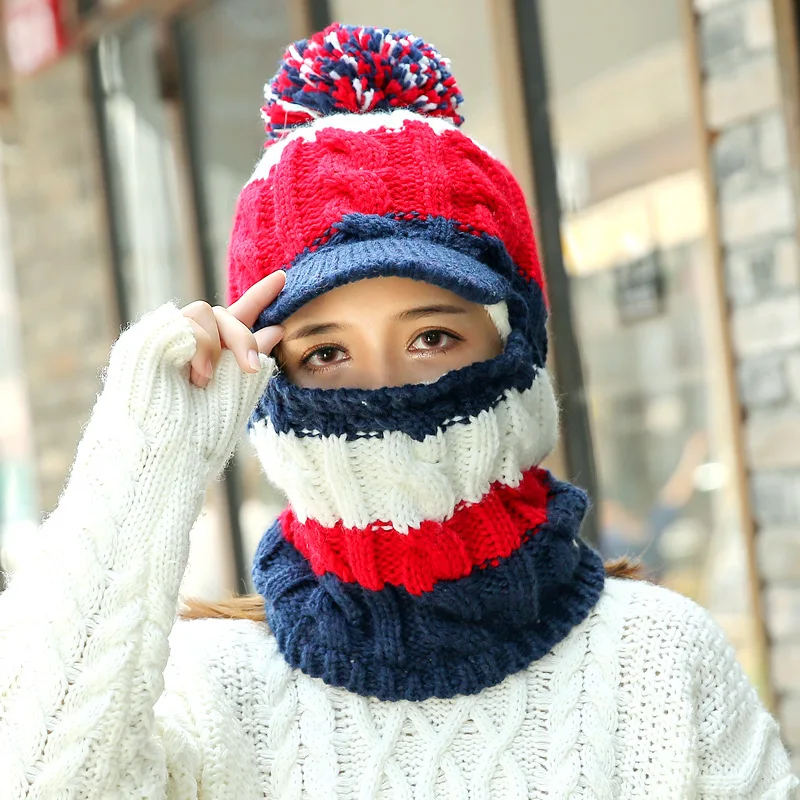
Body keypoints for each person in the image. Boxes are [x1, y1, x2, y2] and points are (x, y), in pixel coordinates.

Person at [0, 23, 796, 800]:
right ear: (269, 386)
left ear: (518, 351)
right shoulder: (209, 695)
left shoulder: (660, 663)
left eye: (432, 337)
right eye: (325, 353)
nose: (382, 388)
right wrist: (146, 462)